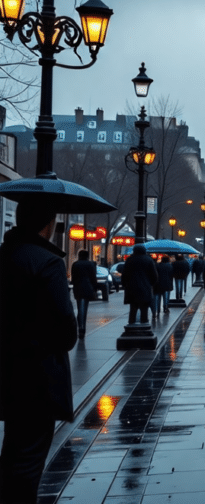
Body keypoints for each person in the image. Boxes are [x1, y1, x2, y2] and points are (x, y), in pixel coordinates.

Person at [0, 201, 78, 503]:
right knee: (29, 457)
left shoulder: (5, 255)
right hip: (37, 375)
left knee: (13, 451)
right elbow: (65, 330)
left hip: (7, 367)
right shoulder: (47, 262)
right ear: (49, 224)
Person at [123, 243, 158, 324]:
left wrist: (125, 285)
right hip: (145, 288)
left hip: (131, 289)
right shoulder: (148, 260)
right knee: (144, 310)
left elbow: (124, 275)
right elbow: (154, 276)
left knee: (133, 310)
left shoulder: (129, 260)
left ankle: (131, 327)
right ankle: (144, 327)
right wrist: (150, 284)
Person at [70, 249, 97, 338]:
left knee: (79, 308)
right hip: (88, 287)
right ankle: (83, 327)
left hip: (78, 288)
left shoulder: (75, 264)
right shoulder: (91, 264)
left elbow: (73, 277)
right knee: (84, 309)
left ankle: (80, 327)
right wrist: (95, 288)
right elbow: (93, 277)